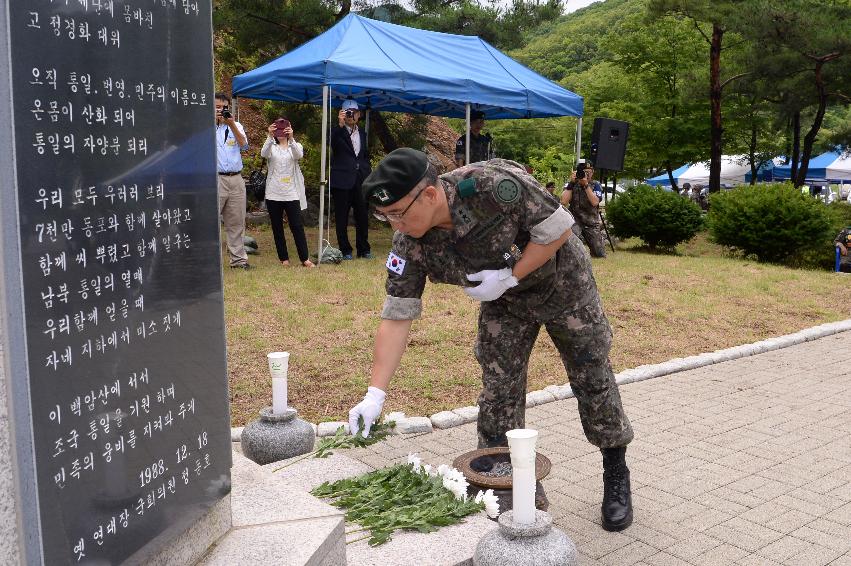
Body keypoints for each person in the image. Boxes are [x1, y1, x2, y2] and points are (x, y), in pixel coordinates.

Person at [349, 148, 634, 532]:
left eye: (399, 212)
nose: (395, 224)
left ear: (431, 195)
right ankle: (509, 490)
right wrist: (375, 395)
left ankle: (615, 469)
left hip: (563, 284)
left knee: (591, 374)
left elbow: (558, 226)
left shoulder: (491, 186)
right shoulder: (410, 242)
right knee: (498, 391)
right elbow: (397, 315)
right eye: (386, 217)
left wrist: (512, 274)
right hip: (504, 303)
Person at [261, 120, 314, 268]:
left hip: (291, 192)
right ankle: (284, 258)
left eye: (284, 128)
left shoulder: (295, 146)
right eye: (278, 128)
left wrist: (291, 138)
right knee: (277, 227)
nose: (281, 131)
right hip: (273, 193)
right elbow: (263, 153)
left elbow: (299, 155)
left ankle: (305, 258)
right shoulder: (271, 146)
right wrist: (269, 136)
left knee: (297, 226)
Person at [330, 99, 372, 260]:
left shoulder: (362, 133)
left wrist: (366, 171)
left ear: (359, 114)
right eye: (347, 112)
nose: (350, 115)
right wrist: (339, 125)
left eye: (353, 112)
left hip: (360, 179)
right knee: (342, 216)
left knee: (362, 215)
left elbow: (364, 155)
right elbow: (331, 144)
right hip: (342, 179)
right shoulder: (336, 131)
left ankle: (364, 248)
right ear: (342, 114)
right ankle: (345, 249)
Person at [215, 93, 250, 269]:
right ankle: (209, 260)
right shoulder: (205, 128)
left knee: (236, 221)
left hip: (236, 178)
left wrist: (231, 124)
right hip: (216, 179)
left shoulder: (237, 126)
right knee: (210, 221)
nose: (221, 110)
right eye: (217, 107)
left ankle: (238, 260)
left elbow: (244, 145)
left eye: (224, 107)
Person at [560, 162, 606, 258]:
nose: (587, 175)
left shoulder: (596, 185)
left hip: (591, 221)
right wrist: (571, 183)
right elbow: (564, 201)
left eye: (589, 172)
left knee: (599, 253)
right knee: (569, 247)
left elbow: (595, 202)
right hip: (574, 221)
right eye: (584, 172)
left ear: (593, 173)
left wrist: (586, 185)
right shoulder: (571, 184)